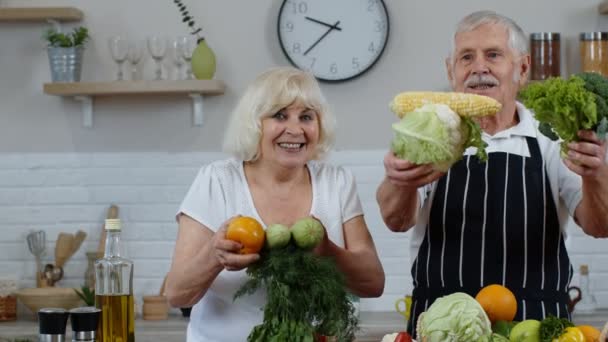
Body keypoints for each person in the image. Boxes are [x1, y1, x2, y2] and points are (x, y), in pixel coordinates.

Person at [376, 10, 608, 335]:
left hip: (535, 328)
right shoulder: (431, 132)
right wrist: (397, 181)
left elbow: (601, 226)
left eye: (493, 55)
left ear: (522, 68)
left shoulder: (551, 136)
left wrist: (596, 175)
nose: (478, 67)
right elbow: (395, 220)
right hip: (443, 329)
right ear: (450, 70)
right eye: (466, 57)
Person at [165, 66, 385, 341]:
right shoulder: (217, 180)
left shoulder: (336, 182)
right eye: (280, 115)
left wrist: (327, 250)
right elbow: (176, 293)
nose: (295, 129)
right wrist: (214, 255)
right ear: (255, 123)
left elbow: (373, 282)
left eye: (306, 117)